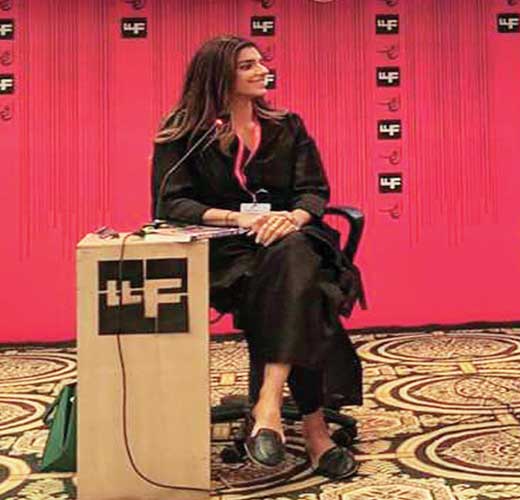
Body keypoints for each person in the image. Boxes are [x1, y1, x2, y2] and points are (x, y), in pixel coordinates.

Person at [151, 35, 361, 479]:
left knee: (295, 259)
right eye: (248, 65)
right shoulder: (184, 132)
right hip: (230, 249)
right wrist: (239, 218)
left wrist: (292, 218)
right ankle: (316, 431)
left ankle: (268, 406)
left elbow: (314, 191)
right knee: (306, 291)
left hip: (294, 236)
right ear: (218, 76)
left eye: (261, 62)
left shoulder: (287, 126)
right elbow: (171, 202)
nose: (263, 70)